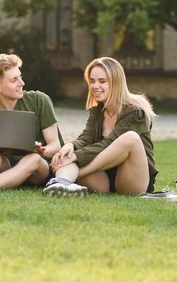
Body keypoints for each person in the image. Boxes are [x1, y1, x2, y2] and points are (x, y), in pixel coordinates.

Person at [0, 53, 81, 193]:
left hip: (41, 168)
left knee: (33, 158)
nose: (22, 83)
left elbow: (55, 146)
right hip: (8, 168)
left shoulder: (39, 100)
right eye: (14, 80)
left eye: (20, 77)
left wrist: (43, 150)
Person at [43, 57, 158, 197]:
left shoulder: (135, 111)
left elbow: (109, 144)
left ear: (116, 82)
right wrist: (71, 146)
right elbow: (87, 137)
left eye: (102, 81)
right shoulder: (97, 111)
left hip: (131, 180)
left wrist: (76, 157)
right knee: (69, 155)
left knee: (130, 138)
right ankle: (61, 184)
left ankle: (70, 179)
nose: (94, 86)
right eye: (92, 81)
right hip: (104, 180)